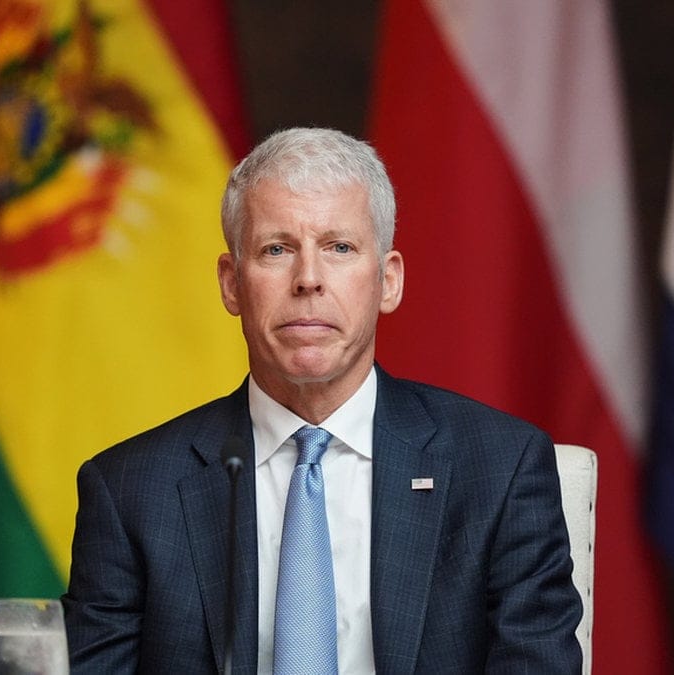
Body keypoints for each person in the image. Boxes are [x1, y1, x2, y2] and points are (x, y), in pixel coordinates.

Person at [62, 127, 582, 673]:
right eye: (276, 249)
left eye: (339, 248)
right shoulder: (129, 490)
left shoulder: (500, 468)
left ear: (388, 281)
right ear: (232, 283)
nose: (308, 279)